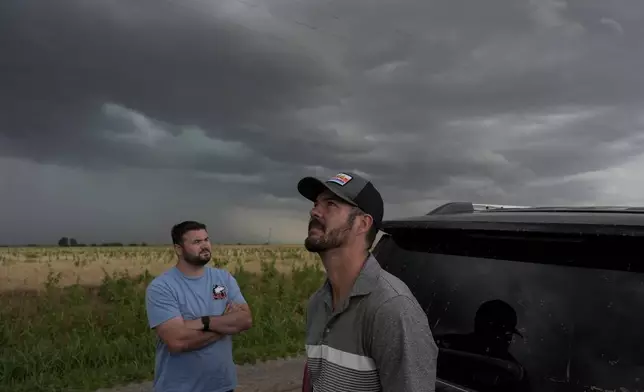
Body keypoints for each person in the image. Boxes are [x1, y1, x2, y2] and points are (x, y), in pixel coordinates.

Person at [297, 171, 439, 392]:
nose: (314, 211)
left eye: (330, 204)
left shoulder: (393, 309)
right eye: (316, 204)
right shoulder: (318, 303)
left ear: (362, 224)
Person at [145, 220, 252, 392]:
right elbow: (177, 341)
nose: (205, 246)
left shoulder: (223, 279)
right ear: (179, 249)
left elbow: (245, 319)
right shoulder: (162, 287)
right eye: (196, 242)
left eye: (206, 240)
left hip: (223, 386)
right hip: (179, 387)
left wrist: (204, 322)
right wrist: (225, 325)